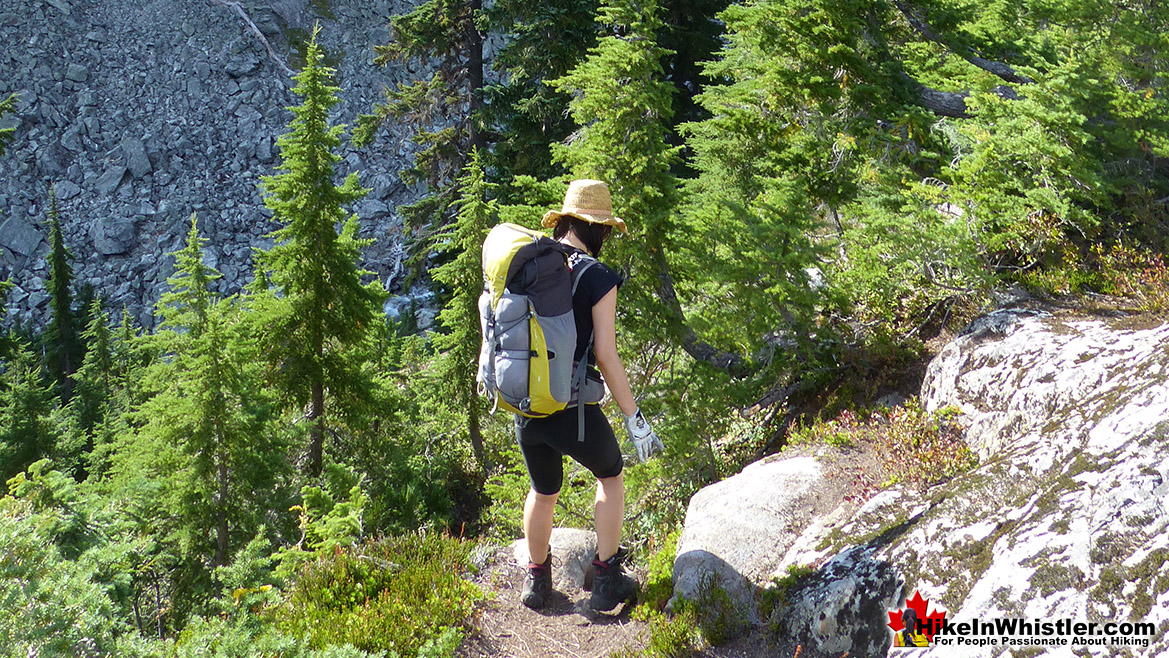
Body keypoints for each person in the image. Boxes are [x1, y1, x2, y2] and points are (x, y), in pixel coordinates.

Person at [518, 179, 665, 612]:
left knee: (543, 490)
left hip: (525, 406)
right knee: (611, 476)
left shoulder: (531, 263)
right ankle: (606, 579)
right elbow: (605, 355)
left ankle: (537, 580)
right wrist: (634, 417)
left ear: (563, 221)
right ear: (596, 227)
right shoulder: (597, 276)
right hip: (572, 410)